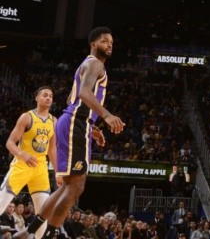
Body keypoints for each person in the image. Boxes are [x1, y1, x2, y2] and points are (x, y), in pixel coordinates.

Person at [13, 27, 125, 239]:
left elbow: (70, 100)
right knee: (76, 186)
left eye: (111, 41)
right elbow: (83, 93)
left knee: (68, 186)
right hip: (75, 123)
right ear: (93, 44)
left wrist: (91, 127)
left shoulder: (89, 64)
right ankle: (50, 235)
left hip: (75, 122)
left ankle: (30, 231)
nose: (109, 44)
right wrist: (107, 116)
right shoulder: (95, 63)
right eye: (104, 41)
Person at [0, 86, 59, 239]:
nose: (48, 98)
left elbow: (52, 150)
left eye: (51, 96)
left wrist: (58, 172)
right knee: (1, 204)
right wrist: (22, 154)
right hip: (21, 166)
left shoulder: (54, 121)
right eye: (45, 95)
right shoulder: (27, 117)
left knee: (43, 213)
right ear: (37, 98)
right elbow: (10, 143)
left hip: (40, 169)